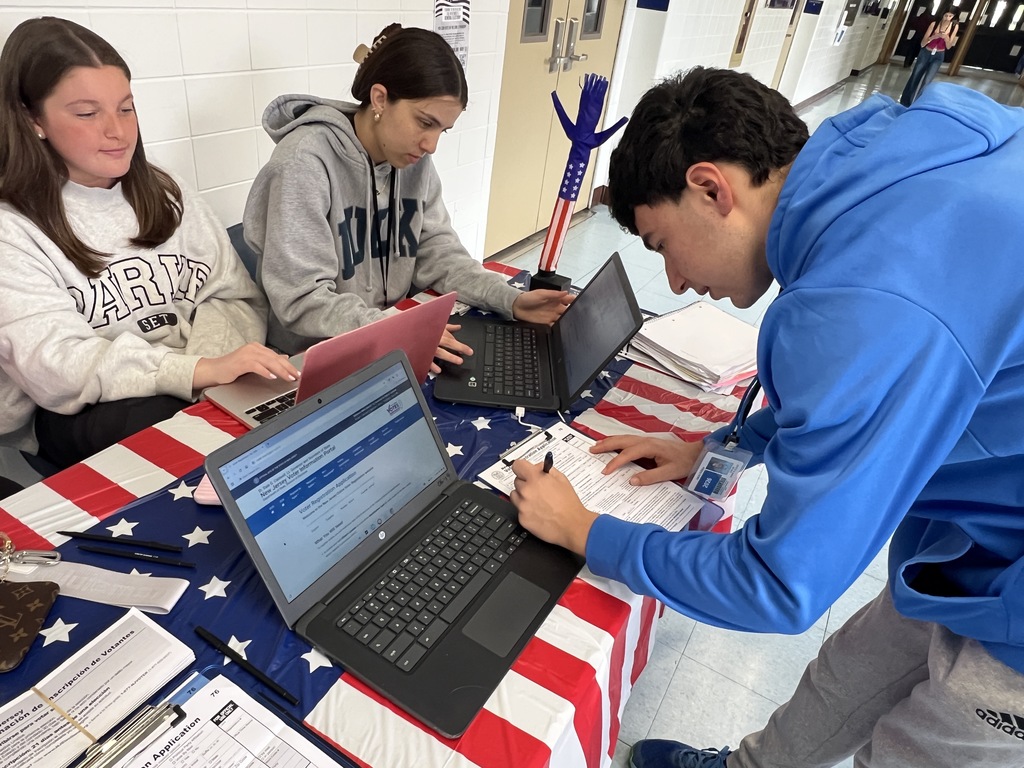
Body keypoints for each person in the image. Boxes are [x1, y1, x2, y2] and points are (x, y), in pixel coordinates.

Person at [510, 66, 1024, 767]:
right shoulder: (889, 156)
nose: (679, 282)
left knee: (917, 748)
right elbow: (879, 385)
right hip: (971, 529)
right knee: (849, 673)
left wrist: (589, 533)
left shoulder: (860, 306)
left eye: (663, 246)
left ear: (711, 187)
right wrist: (729, 444)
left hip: (1015, 605)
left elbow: (779, 585)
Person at [0, 17, 297, 470]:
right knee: (171, 426)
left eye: (126, 107)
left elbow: (232, 295)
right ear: (32, 119)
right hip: (80, 407)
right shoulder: (12, 227)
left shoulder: (164, 188)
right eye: (86, 113)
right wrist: (193, 372)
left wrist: (209, 369)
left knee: (283, 388)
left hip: (189, 374)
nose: (117, 131)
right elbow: (56, 367)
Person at [243, 23, 571, 363]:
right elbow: (302, 299)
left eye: (443, 130)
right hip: (311, 357)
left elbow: (439, 253)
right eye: (424, 122)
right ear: (380, 98)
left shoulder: (411, 159)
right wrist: (393, 329)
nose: (431, 145)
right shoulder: (304, 161)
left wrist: (508, 299)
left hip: (385, 337)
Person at [899, 8, 958, 106]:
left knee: (927, 81)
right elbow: (922, 43)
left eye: (950, 16)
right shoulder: (934, 24)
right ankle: (905, 103)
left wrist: (946, 38)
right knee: (915, 78)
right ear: (942, 15)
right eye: (946, 15)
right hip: (926, 53)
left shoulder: (954, 27)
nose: (948, 18)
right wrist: (933, 37)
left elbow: (948, 46)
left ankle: (918, 104)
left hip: (938, 56)